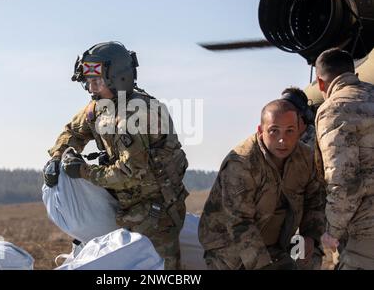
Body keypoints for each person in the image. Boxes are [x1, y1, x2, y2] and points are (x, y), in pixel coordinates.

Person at [43, 41, 189, 270]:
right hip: (123, 205)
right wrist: (57, 157)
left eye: (96, 82)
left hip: (155, 213)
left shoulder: (136, 114)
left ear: (118, 79)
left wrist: (82, 171)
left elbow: (129, 173)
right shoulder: (100, 106)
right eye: (88, 82)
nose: (91, 89)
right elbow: (73, 131)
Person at [198, 99, 325, 270]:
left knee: (310, 258)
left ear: (299, 132)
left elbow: (315, 200)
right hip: (229, 246)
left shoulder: (305, 158)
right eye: (274, 131)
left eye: (289, 131)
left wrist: (310, 236)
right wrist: (264, 266)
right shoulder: (242, 163)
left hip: (277, 243)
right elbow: (238, 223)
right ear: (260, 131)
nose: (282, 140)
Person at [315, 48, 374, 270]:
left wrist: (332, 231)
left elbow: (344, 181)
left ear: (321, 84)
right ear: (354, 74)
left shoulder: (333, 109)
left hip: (366, 236)